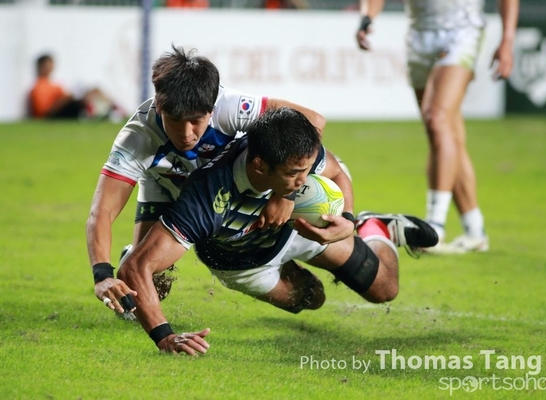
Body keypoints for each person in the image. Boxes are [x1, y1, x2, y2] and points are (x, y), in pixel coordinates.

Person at [117, 107, 438, 355]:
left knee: (384, 290)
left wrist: (347, 220)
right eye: (295, 174)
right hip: (242, 261)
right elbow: (136, 266)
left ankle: (375, 227)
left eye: (306, 171)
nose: (304, 180)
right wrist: (165, 337)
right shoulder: (207, 199)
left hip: (297, 228)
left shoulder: (293, 151)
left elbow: (337, 171)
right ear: (258, 165)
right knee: (311, 298)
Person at [87, 45, 329, 314]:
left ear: (212, 109)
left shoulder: (231, 107)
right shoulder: (137, 138)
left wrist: (285, 195)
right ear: (158, 105)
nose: (186, 134)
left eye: (196, 121)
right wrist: (102, 274)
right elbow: (102, 210)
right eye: (175, 120)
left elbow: (314, 121)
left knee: (310, 296)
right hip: (164, 184)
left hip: (218, 185)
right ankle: (133, 252)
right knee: (148, 281)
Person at [356, 0, 519, 254]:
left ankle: (435, 227)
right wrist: (367, 18)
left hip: (461, 31)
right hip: (418, 35)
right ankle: (475, 229)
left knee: (437, 118)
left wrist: (507, 41)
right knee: (446, 133)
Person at [29, 54, 119, 120]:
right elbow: (43, 112)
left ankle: (111, 109)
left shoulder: (55, 85)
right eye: (47, 66)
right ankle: (109, 111)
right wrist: (68, 97)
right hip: (51, 116)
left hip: (63, 111)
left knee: (94, 90)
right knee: (79, 98)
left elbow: (63, 98)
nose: (50, 68)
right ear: (40, 67)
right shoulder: (38, 87)